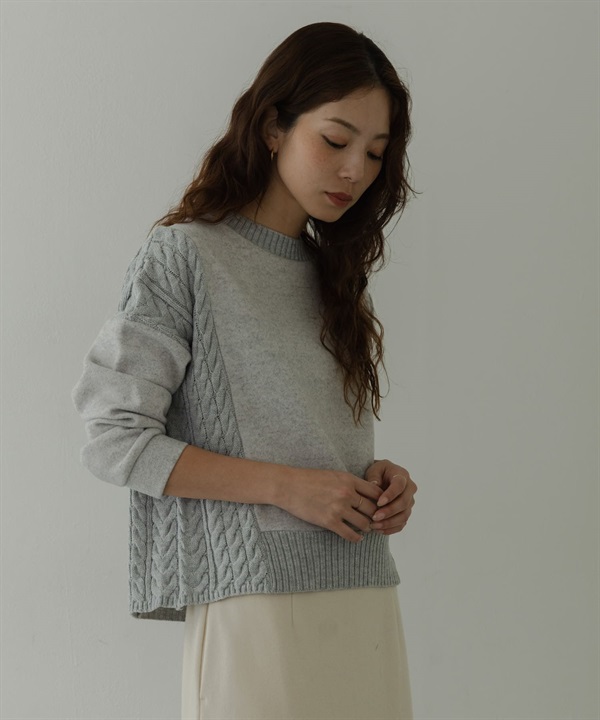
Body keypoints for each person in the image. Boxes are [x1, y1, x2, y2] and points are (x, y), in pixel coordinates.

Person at [72, 21, 418, 720]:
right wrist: (288, 488)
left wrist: (379, 481)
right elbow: (113, 438)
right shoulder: (185, 257)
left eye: (375, 153)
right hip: (253, 604)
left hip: (363, 598)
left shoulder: (335, 279)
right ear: (271, 128)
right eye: (336, 140)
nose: (355, 170)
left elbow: (314, 443)